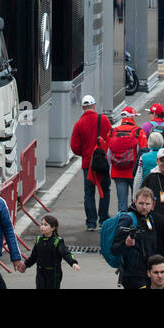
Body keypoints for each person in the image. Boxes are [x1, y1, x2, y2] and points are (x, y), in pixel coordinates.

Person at [115, 187, 164, 289]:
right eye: (141, 203)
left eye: (147, 204)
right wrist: (125, 244)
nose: (144, 207)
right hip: (132, 275)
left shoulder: (151, 219)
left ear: (153, 205)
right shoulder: (127, 220)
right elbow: (114, 249)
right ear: (135, 202)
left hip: (148, 274)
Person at [70, 95, 112, 229]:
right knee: (105, 190)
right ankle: (104, 219)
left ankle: (91, 222)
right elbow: (111, 138)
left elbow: (74, 147)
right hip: (103, 162)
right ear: (94, 106)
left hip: (88, 163)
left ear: (83, 108)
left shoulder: (79, 124)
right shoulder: (104, 119)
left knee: (89, 193)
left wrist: (85, 153)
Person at [107, 108, 147, 214]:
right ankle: (135, 225)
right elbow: (143, 153)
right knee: (136, 201)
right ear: (132, 116)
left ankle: (122, 225)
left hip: (117, 171)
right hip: (134, 172)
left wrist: (113, 166)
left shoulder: (112, 131)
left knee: (121, 203)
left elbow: (108, 154)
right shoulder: (139, 131)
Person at [23, 215, 80, 288]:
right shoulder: (38, 240)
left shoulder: (57, 241)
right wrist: (25, 265)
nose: (42, 227)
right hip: (40, 273)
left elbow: (66, 253)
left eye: (45, 225)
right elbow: (34, 257)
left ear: (53, 228)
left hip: (54, 274)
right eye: (41, 224)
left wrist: (73, 263)